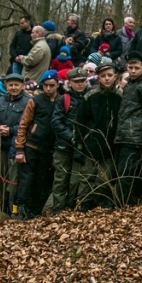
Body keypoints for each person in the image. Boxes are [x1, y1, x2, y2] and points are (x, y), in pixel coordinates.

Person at [74, 61, 122, 211]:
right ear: (98, 78)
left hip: (110, 145)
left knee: (105, 178)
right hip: (91, 143)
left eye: (109, 75)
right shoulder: (90, 96)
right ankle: (84, 202)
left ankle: (102, 201)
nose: (106, 78)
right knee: (86, 177)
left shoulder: (121, 96)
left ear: (115, 76)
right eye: (103, 76)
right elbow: (79, 121)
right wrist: (79, 144)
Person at [114, 52, 142, 204]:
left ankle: (120, 203)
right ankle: (124, 200)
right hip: (123, 134)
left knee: (126, 172)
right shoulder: (130, 85)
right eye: (130, 67)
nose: (133, 71)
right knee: (122, 170)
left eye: (136, 68)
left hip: (134, 135)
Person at [14, 71, 59, 218]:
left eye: (51, 85)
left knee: (42, 180)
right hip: (31, 145)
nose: (48, 89)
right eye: (45, 85)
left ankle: (35, 209)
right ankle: (22, 208)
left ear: (57, 85)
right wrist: (20, 148)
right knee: (26, 179)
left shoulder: (62, 101)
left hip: (49, 149)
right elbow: (23, 124)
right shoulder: (35, 101)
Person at [0, 73, 29, 215]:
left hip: (16, 149)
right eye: (10, 85)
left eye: (16, 85)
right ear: (6, 86)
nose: (13, 87)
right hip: (0, 148)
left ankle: (14, 212)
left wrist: (11, 130)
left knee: (14, 182)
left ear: (22, 86)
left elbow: (29, 125)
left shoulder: (28, 101)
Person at [50, 67, 88, 213]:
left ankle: (71, 207)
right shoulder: (63, 99)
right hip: (63, 146)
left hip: (82, 146)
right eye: (76, 81)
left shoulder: (90, 97)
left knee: (76, 179)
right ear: (69, 83)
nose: (80, 84)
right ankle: (58, 209)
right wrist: (70, 137)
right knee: (60, 178)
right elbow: (56, 122)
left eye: (82, 81)